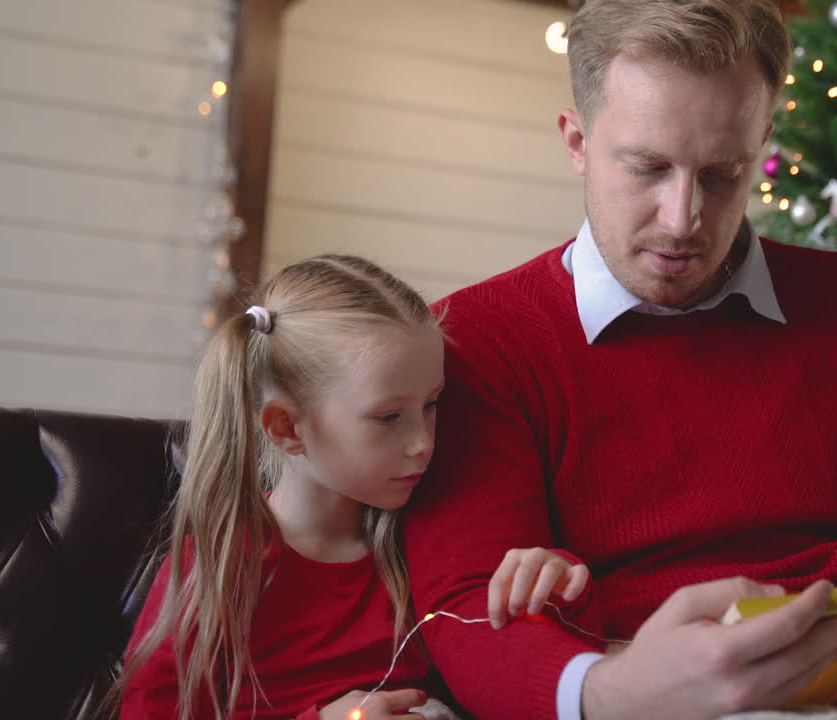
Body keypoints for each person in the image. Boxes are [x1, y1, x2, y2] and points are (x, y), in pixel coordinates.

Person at [401, 2, 837, 719]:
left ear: (762, 145)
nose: (683, 221)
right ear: (576, 141)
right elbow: (464, 609)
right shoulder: (475, 339)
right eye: (647, 168)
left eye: (721, 175)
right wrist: (613, 695)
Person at [114, 255, 590, 720]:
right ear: (286, 428)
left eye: (432, 404)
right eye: (389, 417)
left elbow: (516, 661)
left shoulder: (426, 541)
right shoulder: (220, 570)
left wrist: (558, 585)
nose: (423, 443)